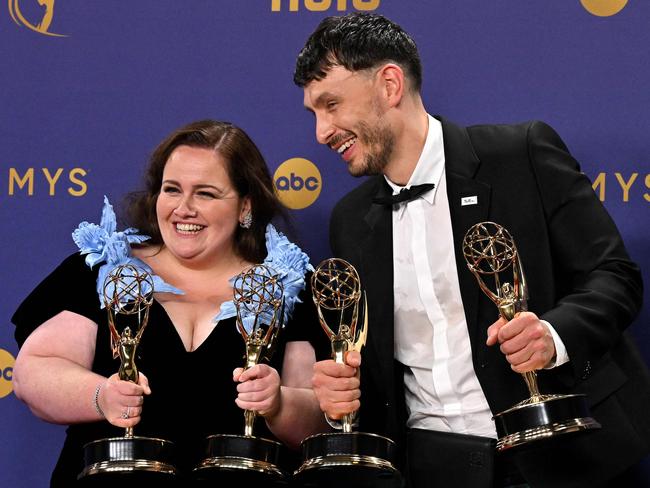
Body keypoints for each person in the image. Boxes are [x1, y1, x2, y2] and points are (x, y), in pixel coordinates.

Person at [293, 12, 650, 488]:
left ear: (390, 85)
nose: (321, 132)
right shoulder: (351, 220)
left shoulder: (520, 154)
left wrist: (553, 335)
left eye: (331, 104)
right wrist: (343, 388)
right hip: (427, 467)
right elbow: (375, 364)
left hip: (558, 454)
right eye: (314, 113)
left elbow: (615, 275)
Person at [11, 120, 329, 486]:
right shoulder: (104, 269)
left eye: (206, 194)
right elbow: (33, 372)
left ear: (245, 206)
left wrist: (278, 403)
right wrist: (101, 396)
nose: (184, 208)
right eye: (172, 189)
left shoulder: (290, 289)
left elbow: (316, 424)